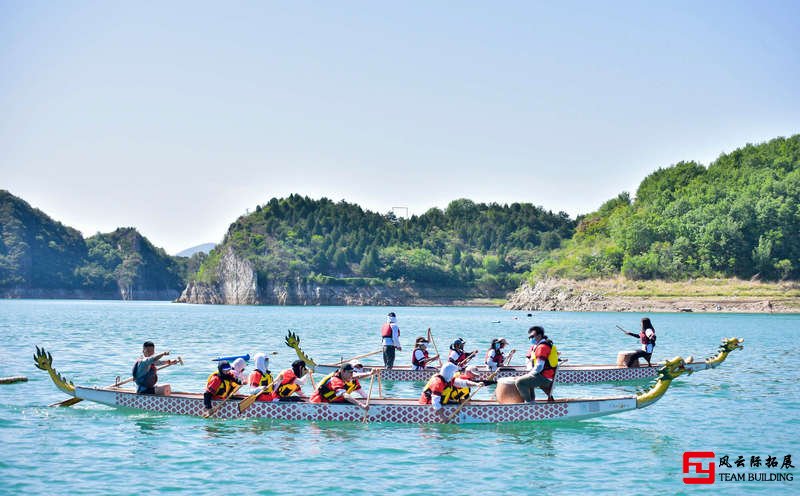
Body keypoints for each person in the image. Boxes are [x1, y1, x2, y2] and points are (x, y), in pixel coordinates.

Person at [419, 363, 491, 419]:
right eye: (452, 372)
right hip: (427, 405)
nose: (454, 374)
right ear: (448, 372)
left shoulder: (448, 379)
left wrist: (476, 384)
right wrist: (443, 417)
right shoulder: (438, 383)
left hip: (441, 402)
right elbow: (435, 403)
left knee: (458, 402)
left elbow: (462, 383)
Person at [514, 326, 558, 403]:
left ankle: (530, 403)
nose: (530, 339)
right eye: (529, 337)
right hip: (545, 376)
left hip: (544, 377)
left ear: (539, 336)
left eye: (532, 336)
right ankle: (532, 401)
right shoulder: (541, 345)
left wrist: (530, 374)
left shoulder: (542, 347)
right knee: (527, 380)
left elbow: (540, 366)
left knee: (519, 382)